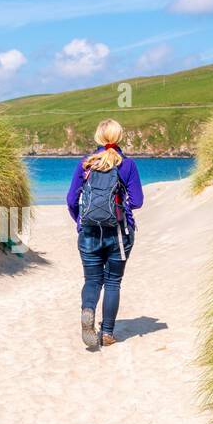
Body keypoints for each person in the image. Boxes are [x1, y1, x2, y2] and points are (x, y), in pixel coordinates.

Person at [66, 119, 144, 349]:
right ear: (118, 137)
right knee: (112, 282)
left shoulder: (85, 164)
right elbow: (138, 201)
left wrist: (80, 221)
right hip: (119, 234)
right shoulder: (127, 165)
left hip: (89, 232)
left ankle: (88, 310)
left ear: (98, 138)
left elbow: (71, 200)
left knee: (92, 280)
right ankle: (107, 332)